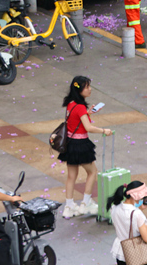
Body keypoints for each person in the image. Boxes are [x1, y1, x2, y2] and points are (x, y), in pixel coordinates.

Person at [58, 75, 113, 219]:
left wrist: (87, 113)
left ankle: (69, 206)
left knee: (71, 176)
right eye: (87, 87)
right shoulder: (80, 107)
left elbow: (76, 120)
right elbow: (87, 127)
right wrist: (103, 130)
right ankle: (86, 203)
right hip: (81, 145)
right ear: (80, 90)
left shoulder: (71, 104)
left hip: (70, 144)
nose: (90, 89)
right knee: (92, 172)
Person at [107, 181, 147, 265]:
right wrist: (144, 221)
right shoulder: (137, 214)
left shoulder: (114, 208)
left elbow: (126, 218)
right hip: (137, 253)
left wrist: (140, 208)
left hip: (121, 251)